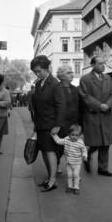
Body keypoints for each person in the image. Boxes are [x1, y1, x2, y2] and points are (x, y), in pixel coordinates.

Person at [31, 55, 66, 192]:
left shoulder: (55, 83)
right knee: (44, 152)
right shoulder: (39, 83)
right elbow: (37, 105)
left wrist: (58, 125)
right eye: (35, 72)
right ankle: (50, 177)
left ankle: (53, 180)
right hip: (41, 124)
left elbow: (61, 106)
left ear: (47, 68)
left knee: (50, 151)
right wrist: (35, 123)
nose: (37, 74)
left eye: (39, 71)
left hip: (51, 125)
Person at [79, 56, 112, 177]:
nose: (103, 65)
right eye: (100, 63)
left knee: (106, 142)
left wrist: (108, 105)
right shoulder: (85, 79)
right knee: (95, 141)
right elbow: (84, 96)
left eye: (103, 63)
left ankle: (103, 168)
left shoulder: (108, 78)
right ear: (93, 65)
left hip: (106, 115)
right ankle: (88, 155)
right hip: (92, 115)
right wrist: (100, 105)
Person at [56, 65, 82, 174]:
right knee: (59, 148)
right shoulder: (57, 89)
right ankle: (54, 165)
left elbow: (79, 106)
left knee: (73, 149)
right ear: (62, 76)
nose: (72, 74)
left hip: (73, 124)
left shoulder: (75, 89)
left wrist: (80, 124)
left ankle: (73, 171)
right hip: (62, 124)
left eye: (72, 72)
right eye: (69, 72)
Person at [51, 125, 87, 195]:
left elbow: (84, 150)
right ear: (69, 134)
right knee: (69, 175)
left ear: (79, 136)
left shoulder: (80, 142)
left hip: (77, 163)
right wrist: (54, 135)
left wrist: (85, 155)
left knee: (76, 175)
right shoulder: (66, 140)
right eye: (72, 135)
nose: (74, 137)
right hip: (68, 162)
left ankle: (76, 187)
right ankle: (70, 186)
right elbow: (58, 141)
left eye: (76, 135)